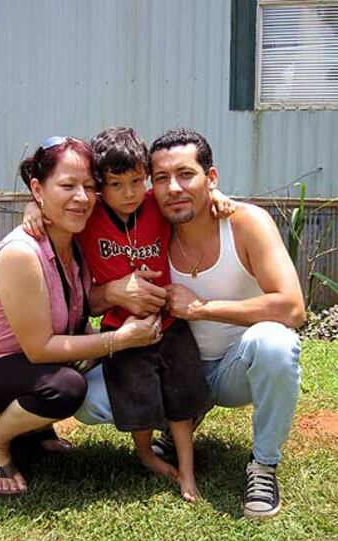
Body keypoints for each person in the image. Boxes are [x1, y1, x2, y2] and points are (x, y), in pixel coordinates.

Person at [101, 128, 306, 519]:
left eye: (186, 175)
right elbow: (91, 199)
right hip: (177, 368)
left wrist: (203, 308)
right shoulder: (147, 222)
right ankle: (181, 417)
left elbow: (293, 308)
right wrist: (33, 209)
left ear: (211, 179)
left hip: (234, 369)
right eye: (161, 178)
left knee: (275, 343)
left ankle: (263, 466)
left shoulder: (246, 224)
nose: (173, 188)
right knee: (95, 401)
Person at [0, 136, 160, 497]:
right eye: (67, 186)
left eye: (89, 187)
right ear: (38, 189)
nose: (82, 197)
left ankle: (35, 429)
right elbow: (41, 349)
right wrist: (118, 340)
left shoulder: (75, 237)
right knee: (66, 387)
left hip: (22, 358)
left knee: (93, 360)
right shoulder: (22, 254)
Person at [23, 127, 235, 502]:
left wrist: (215, 195)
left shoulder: (156, 204)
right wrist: (32, 208)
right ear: (100, 186)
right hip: (122, 327)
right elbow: (53, 206)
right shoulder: (88, 216)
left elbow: (189, 196)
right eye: (116, 185)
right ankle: (144, 452)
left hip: (170, 324)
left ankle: (187, 472)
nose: (129, 193)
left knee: (182, 396)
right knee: (139, 397)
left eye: (137, 181)